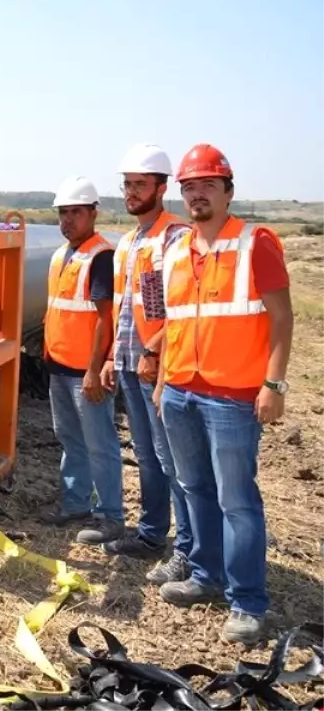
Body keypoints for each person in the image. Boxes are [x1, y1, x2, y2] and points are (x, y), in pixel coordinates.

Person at [154, 144, 293, 645]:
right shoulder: (175, 249)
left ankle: (248, 602)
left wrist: (273, 385)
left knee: (237, 500)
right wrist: (164, 381)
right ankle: (205, 576)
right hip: (181, 391)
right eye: (189, 187)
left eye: (207, 185)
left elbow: (282, 318)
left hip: (233, 397)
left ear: (228, 191)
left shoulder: (255, 242)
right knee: (195, 490)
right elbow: (174, 323)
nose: (197, 195)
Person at [98, 145, 192, 584]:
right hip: (132, 364)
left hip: (162, 366)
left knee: (172, 458)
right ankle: (153, 534)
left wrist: (157, 355)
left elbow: (179, 307)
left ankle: (188, 549)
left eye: (140, 185)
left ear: (162, 187)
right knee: (147, 453)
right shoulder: (129, 242)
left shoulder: (176, 236)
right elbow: (124, 308)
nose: (131, 193)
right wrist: (111, 358)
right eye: (127, 185)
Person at [41, 175, 126, 546]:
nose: (68, 220)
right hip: (59, 368)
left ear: (93, 213)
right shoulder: (63, 255)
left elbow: (105, 318)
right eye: (63, 213)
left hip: (84, 373)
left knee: (99, 444)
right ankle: (76, 504)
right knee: (70, 440)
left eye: (76, 212)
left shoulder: (101, 256)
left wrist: (95, 369)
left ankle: (110, 517)